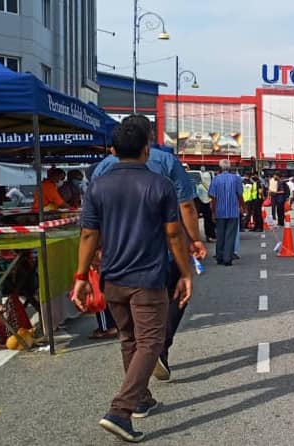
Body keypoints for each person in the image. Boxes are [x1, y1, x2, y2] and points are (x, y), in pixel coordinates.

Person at [72, 122, 193, 442]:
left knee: (129, 338)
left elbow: (88, 235)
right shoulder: (160, 185)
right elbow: (173, 234)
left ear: (113, 151)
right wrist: (185, 273)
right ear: (146, 149)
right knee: (150, 342)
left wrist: (81, 276)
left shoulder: (98, 186)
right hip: (148, 277)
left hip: (112, 276)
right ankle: (120, 410)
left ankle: (141, 399)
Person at [91, 114, 205, 384]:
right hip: (159, 251)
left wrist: (94, 253)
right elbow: (186, 206)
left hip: (116, 253)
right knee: (177, 294)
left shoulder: (103, 168)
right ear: (148, 139)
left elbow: (92, 218)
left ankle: (139, 392)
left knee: (128, 331)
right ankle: (157, 351)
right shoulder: (165, 162)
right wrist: (194, 240)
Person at [209, 159, 245, 266]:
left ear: (220, 167)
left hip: (219, 211)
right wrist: (243, 207)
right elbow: (240, 195)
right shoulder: (236, 179)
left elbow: (213, 197)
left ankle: (219, 257)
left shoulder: (215, 179)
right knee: (230, 235)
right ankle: (227, 258)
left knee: (220, 234)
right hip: (233, 211)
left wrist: (213, 211)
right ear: (230, 167)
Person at [195, 171, 215, 242]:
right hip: (208, 202)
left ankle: (196, 237)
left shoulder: (199, 185)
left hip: (199, 202)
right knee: (209, 220)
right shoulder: (211, 185)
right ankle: (210, 235)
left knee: (199, 220)